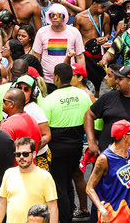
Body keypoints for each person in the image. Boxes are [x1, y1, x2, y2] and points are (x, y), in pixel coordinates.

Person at [41, 63, 92, 223]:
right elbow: (91, 119)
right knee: (69, 179)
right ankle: (69, 213)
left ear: (56, 77)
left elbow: (43, 126)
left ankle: (64, 218)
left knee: (59, 184)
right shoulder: (83, 95)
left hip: (56, 146)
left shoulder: (49, 100)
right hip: (76, 145)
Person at [86, 119, 130, 223]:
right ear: (125, 137)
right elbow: (89, 188)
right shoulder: (104, 158)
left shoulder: (129, 151)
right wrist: (102, 211)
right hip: (113, 213)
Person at [0, 136, 59, 223]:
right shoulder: (9, 174)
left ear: (34, 154)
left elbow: (53, 207)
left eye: (25, 154)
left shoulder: (45, 177)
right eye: (18, 154)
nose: (21, 157)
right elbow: (2, 202)